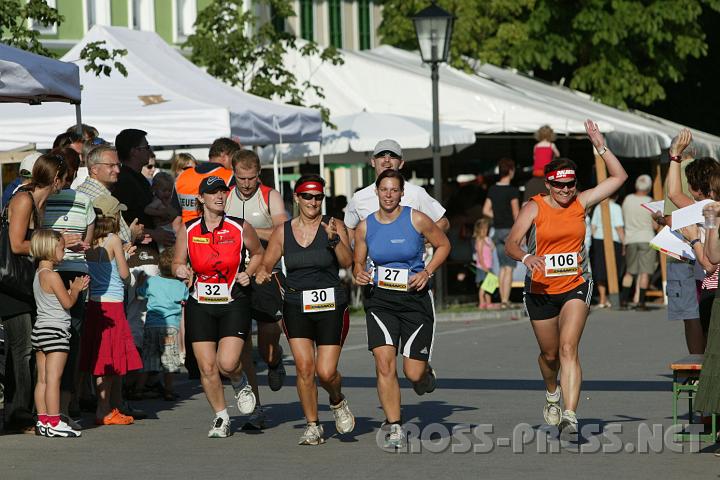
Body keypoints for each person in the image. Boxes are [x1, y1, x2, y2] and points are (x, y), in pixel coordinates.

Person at [505, 119, 627, 436]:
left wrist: (600, 145)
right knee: (549, 355)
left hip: (575, 284)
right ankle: (551, 391)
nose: (565, 190)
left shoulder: (580, 202)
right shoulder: (534, 208)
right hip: (540, 289)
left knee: (568, 348)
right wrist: (527, 257)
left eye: (570, 183)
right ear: (548, 184)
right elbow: (511, 244)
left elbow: (619, 177)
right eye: (559, 185)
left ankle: (571, 413)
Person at [353, 169, 451, 449]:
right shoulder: (365, 225)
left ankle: (425, 375)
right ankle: (395, 425)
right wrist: (360, 272)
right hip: (380, 301)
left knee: (413, 374)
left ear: (401, 193)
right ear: (376, 191)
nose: (388, 195)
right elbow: (359, 262)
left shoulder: (416, 218)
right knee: (384, 364)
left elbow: (444, 245)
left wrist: (427, 272)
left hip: (414, 301)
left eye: (394, 190)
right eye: (384, 189)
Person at [256, 174, 355, 445]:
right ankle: (313, 425)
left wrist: (334, 241)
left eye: (318, 197)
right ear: (297, 198)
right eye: (308, 196)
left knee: (326, 372)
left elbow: (349, 263)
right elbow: (267, 264)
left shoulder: (333, 225)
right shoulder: (282, 231)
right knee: (304, 368)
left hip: (330, 305)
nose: (313, 202)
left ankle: (337, 400)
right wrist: (262, 274)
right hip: (296, 304)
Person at [172, 176, 264, 438]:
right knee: (207, 366)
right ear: (201, 198)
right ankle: (221, 416)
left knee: (227, 362)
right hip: (200, 301)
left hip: (233, 300)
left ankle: (239, 380)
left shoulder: (239, 227)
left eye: (223, 191)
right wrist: (180, 269)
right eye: (213, 193)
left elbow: (258, 253)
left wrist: (250, 272)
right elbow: (177, 262)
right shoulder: (189, 230)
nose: (220, 196)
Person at [1, 153, 68, 433]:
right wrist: (49, 246)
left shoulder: (36, 202)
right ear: (55, 179)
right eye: (66, 177)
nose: (67, 183)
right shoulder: (24, 199)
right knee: (22, 349)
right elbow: (16, 245)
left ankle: (24, 411)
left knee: (25, 349)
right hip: (9, 285)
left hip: (20, 286)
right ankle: (17, 414)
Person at [224, 149, 287, 429]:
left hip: (265, 274)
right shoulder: (225, 196)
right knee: (241, 348)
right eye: (241, 178)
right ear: (233, 174)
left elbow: (283, 231)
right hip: (235, 277)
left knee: (267, 345)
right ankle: (256, 409)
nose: (246, 184)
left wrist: (246, 230)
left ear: (258, 175)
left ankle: (274, 363)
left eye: (250, 178)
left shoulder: (269, 195)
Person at [41, 147, 95, 423]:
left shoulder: (43, 199)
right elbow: (89, 241)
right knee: (69, 340)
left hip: (48, 269)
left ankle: (47, 412)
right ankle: (62, 408)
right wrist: (68, 241)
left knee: (46, 343)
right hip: (70, 270)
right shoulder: (83, 200)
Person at [80, 194, 142, 426]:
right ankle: (103, 409)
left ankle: (108, 406)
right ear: (112, 216)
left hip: (94, 302)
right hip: (113, 303)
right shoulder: (113, 239)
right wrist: (126, 258)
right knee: (109, 358)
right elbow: (124, 276)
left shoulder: (90, 241)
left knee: (100, 356)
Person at [663, 130, 720, 354]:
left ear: (698, 189)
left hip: (713, 287)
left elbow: (709, 264)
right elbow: (675, 194)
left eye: (691, 186)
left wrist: (693, 238)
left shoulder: (708, 212)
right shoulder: (706, 209)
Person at [30, 229, 89, 437]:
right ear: (49, 249)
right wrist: (76, 290)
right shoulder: (53, 276)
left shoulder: (38, 274)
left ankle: (43, 419)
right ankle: (55, 420)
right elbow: (68, 303)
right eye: (62, 248)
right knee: (55, 378)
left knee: (43, 379)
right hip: (56, 331)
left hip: (40, 330)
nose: (63, 252)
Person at [344, 139, 448, 244]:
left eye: (393, 156)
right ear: (373, 162)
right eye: (381, 156)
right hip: (372, 260)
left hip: (411, 260)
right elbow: (349, 228)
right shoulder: (359, 197)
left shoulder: (416, 193)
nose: (387, 161)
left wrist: (418, 242)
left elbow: (443, 223)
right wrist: (357, 251)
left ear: (401, 163)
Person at [135, 247, 189, 401]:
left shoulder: (152, 281)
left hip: (151, 325)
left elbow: (140, 294)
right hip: (170, 328)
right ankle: (169, 390)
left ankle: (139, 389)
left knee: (148, 358)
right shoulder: (180, 286)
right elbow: (186, 299)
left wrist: (140, 282)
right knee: (169, 360)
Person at [76, 145, 141, 244]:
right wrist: (133, 233)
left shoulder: (80, 191)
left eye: (118, 165)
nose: (118, 170)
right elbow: (123, 244)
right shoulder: (103, 198)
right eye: (111, 166)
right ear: (94, 169)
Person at [172, 138, 239, 223]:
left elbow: (174, 215)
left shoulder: (182, 177)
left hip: (186, 232)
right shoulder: (230, 177)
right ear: (224, 156)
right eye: (234, 158)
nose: (235, 163)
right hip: (215, 232)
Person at [482, 157, 519, 308]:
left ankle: (503, 298)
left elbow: (485, 210)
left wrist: (496, 217)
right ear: (510, 171)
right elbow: (516, 214)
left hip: (496, 230)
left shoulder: (492, 189)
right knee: (509, 267)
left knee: (502, 266)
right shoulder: (512, 190)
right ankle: (505, 299)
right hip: (509, 230)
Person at [620, 175, 658, 310]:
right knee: (644, 272)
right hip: (647, 238)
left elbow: (623, 219)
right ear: (648, 188)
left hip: (631, 239)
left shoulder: (627, 200)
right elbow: (655, 226)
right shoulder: (650, 202)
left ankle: (623, 301)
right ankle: (641, 302)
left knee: (629, 271)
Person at [590, 193, 624, 308]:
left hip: (599, 240)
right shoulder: (616, 207)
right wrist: (624, 243)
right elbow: (619, 227)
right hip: (614, 240)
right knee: (613, 269)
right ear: (616, 196)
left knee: (600, 269)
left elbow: (593, 227)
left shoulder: (599, 207)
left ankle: (602, 298)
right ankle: (610, 296)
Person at [472, 218, 495, 308]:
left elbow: (492, 248)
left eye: (486, 229)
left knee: (489, 285)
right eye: (483, 229)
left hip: (489, 265)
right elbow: (480, 256)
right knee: (483, 286)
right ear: (479, 230)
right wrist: (484, 266)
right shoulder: (479, 241)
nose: (485, 231)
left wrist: (489, 241)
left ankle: (488, 302)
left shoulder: (487, 239)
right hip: (483, 266)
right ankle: (482, 302)